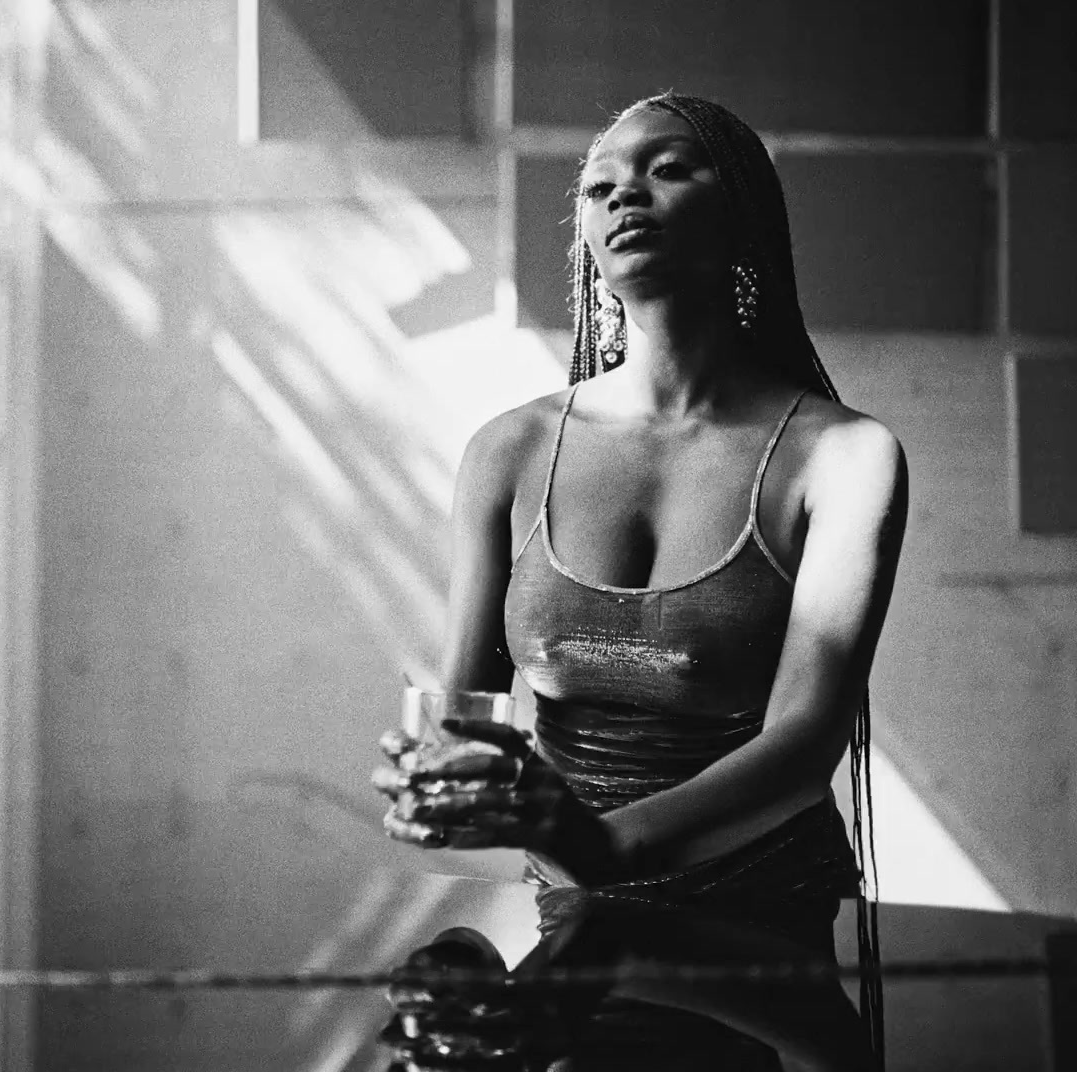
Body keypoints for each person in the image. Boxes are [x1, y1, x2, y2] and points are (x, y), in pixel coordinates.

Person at [371, 92, 905, 1054]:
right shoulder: (510, 449)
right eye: (601, 185)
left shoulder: (845, 457)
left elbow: (807, 735)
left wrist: (603, 844)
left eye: (667, 168)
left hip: (760, 940)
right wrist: (441, 783)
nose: (627, 196)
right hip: (574, 938)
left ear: (742, 210)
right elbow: (469, 719)